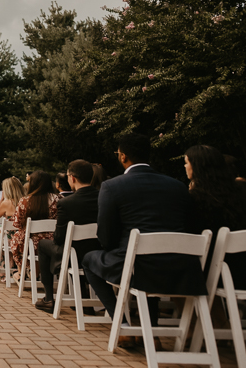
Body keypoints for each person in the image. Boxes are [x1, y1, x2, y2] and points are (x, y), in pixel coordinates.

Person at [82, 133, 205, 332]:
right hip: (179, 267)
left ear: (123, 156)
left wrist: (115, 249)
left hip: (136, 267)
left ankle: (120, 322)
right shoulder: (178, 186)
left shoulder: (112, 187)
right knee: (144, 259)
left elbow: (106, 238)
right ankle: (152, 330)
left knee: (89, 259)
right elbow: (190, 229)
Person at [35, 160, 100, 313]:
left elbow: (58, 237)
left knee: (44, 245)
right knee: (76, 247)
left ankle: (49, 297)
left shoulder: (67, 203)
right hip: (99, 251)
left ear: (72, 178)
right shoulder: (103, 197)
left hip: (73, 254)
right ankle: (83, 299)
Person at [185, 145, 246, 288]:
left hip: (217, 274)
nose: (185, 166)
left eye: (186, 162)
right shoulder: (243, 193)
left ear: (197, 166)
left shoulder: (195, 198)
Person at [11, 171, 60, 282]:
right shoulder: (59, 199)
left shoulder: (25, 200)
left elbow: (16, 223)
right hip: (54, 241)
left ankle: (22, 272)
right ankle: (35, 273)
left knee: (17, 238)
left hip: (29, 244)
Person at [0, 176, 28, 271]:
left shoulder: (6, 203)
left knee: (2, 235)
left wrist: (2, 199)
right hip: (26, 236)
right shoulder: (27, 201)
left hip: (11, 238)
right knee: (2, 233)